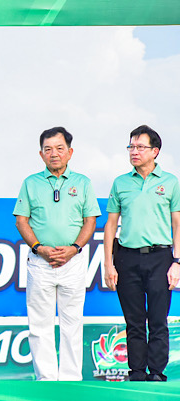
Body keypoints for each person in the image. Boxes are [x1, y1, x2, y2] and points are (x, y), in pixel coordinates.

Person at [13, 127, 100, 381]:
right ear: (41, 154)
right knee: (39, 324)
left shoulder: (82, 183)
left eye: (60, 148)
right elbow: (21, 220)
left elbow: (90, 221)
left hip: (73, 261)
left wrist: (74, 249)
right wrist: (38, 248)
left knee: (72, 322)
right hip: (40, 261)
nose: (54, 154)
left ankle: (71, 379)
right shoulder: (31, 183)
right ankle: (46, 379)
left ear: (70, 152)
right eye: (48, 149)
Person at [103, 125, 180, 382]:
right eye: (131, 147)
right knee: (134, 321)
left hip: (160, 257)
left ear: (155, 151)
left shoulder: (170, 182)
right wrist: (108, 264)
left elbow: (178, 223)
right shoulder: (121, 183)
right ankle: (136, 372)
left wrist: (177, 261)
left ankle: (156, 372)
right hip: (127, 257)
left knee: (158, 319)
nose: (134, 152)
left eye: (140, 147)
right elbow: (111, 225)